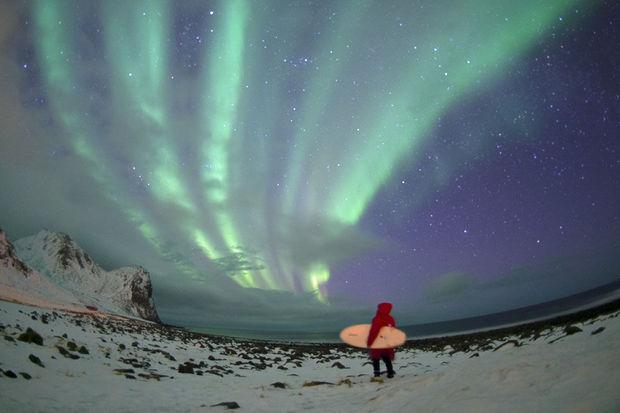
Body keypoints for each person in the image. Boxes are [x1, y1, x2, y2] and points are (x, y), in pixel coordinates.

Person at [367, 302, 396, 378]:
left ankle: (377, 375)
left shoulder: (377, 318)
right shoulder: (391, 319)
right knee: (387, 358)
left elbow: (374, 331)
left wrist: (370, 342)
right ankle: (390, 373)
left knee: (376, 359)